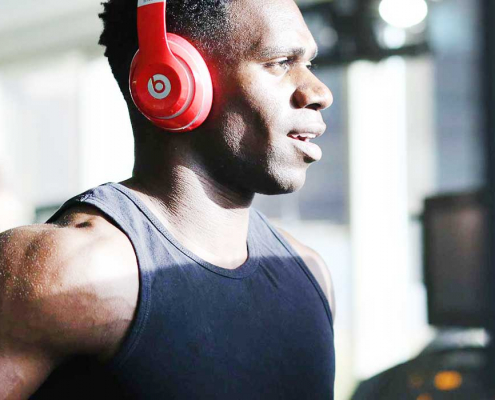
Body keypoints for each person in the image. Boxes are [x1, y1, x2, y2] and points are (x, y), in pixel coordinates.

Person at [0, 0, 336, 398]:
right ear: (171, 78)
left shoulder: (309, 273)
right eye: (280, 62)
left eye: (309, 64)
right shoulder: (66, 270)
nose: (320, 93)